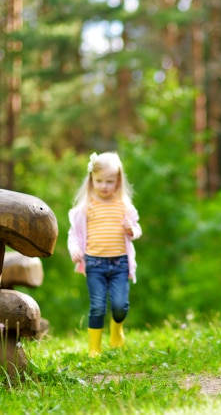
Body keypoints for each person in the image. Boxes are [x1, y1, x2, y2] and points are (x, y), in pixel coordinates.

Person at [68, 151, 142, 357]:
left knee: (120, 306)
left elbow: (136, 230)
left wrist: (131, 230)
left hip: (120, 264)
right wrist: (74, 249)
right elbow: (73, 234)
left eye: (109, 181)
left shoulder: (124, 207)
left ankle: (117, 329)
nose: (104, 186)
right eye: (99, 181)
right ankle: (94, 347)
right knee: (98, 306)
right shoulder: (86, 208)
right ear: (91, 179)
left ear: (118, 180)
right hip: (94, 264)